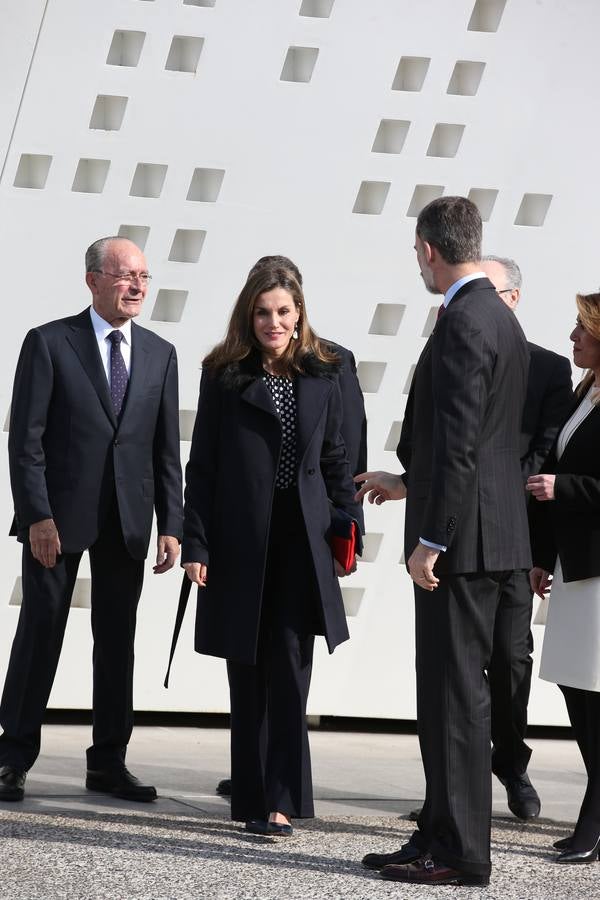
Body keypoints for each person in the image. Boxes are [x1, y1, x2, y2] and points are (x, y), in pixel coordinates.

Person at [356, 197, 531, 886]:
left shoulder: (462, 319)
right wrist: (409, 482)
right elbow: (483, 440)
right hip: (490, 535)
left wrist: (432, 537)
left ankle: (459, 853)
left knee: (455, 698)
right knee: (451, 694)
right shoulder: (500, 316)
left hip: (462, 545)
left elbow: (461, 443)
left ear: (428, 249)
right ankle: (437, 831)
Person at [0, 237, 183, 803]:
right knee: (41, 630)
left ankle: (108, 762)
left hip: (127, 521)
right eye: (125, 275)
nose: (137, 286)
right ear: (93, 280)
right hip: (56, 520)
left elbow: (164, 449)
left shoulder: (159, 353)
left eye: (144, 277)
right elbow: (24, 441)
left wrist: (171, 524)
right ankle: (11, 758)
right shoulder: (50, 343)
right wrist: (37, 515)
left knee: (116, 640)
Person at [182, 265, 363, 835]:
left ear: (299, 313)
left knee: (290, 663)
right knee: (247, 666)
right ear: (248, 315)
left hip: (302, 540)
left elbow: (338, 461)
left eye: (284, 312)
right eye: (263, 312)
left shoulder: (324, 371)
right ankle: (253, 798)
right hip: (239, 540)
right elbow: (203, 466)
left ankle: (282, 800)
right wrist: (196, 542)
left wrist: (346, 529)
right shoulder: (223, 373)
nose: (274, 322)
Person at [480, 255, 573, 819]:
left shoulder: (549, 367)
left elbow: (545, 449)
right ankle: (449, 789)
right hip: (454, 537)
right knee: (454, 667)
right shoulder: (445, 356)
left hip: (514, 535)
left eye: (486, 291)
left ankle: (511, 766)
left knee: (512, 658)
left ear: (513, 298)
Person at [529, 292, 600, 863]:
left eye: (583, 329)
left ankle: (592, 822)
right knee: (577, 691)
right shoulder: (586, 393)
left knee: (595, 697)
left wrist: (564, 488)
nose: (573, 337)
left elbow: (569, 482)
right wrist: (540, 555)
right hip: (574, 567)